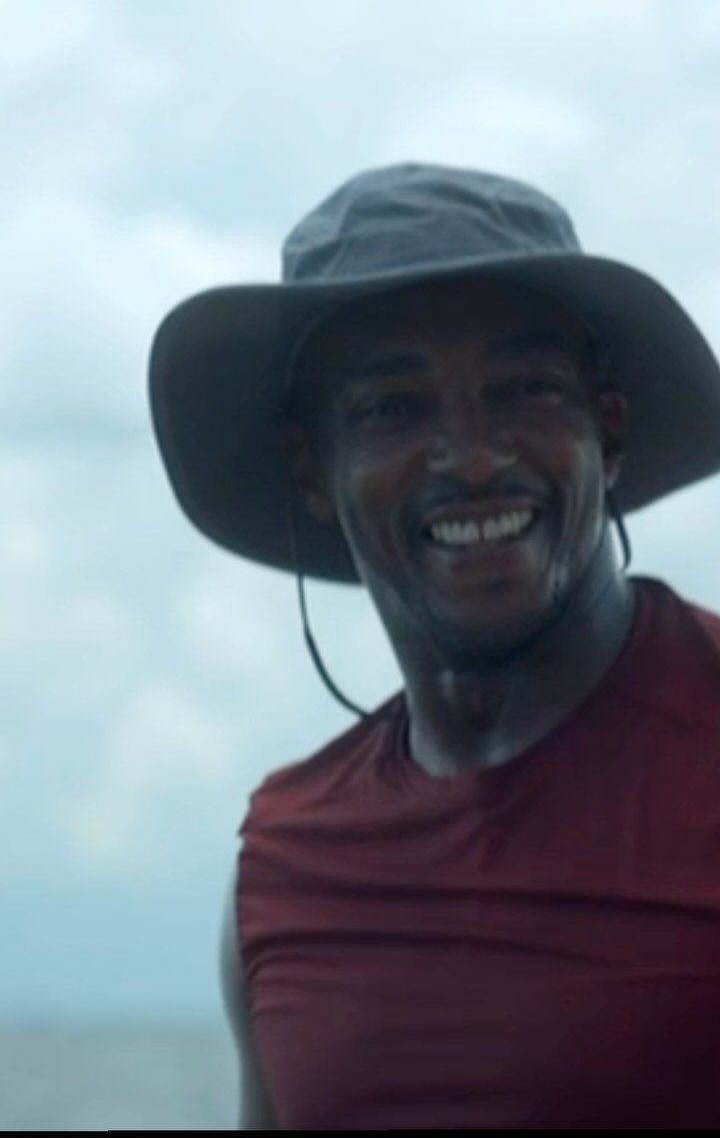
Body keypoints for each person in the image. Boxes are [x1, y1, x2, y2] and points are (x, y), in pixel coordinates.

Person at [149, 163, 720, 1131]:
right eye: (393, 409)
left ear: (607, 431)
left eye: (525, 389)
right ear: (312, 469)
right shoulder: (285, 860)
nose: (474, 456)